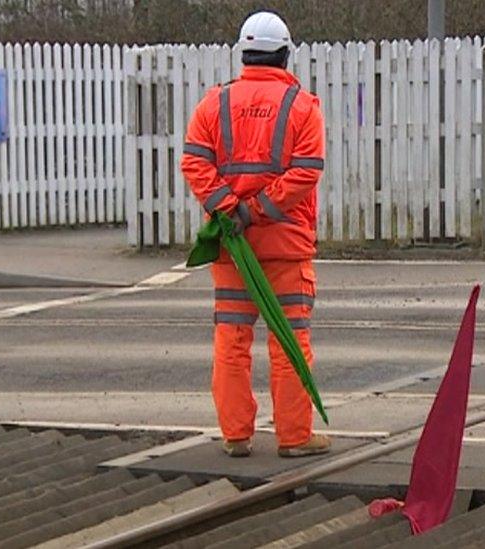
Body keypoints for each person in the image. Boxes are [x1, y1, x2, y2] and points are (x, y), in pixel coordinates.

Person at [180, 11, 329, 458]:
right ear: (285, 54)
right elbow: (307, 172)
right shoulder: (302, 107)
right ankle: (295, 438)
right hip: (284, 245)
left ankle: (236, 435)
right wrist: (258, 210)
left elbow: (194, 163)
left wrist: (229, 209)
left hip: (234, 247)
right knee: (289, 340)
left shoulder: (214, 104)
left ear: (243, 54)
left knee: (232, 340)